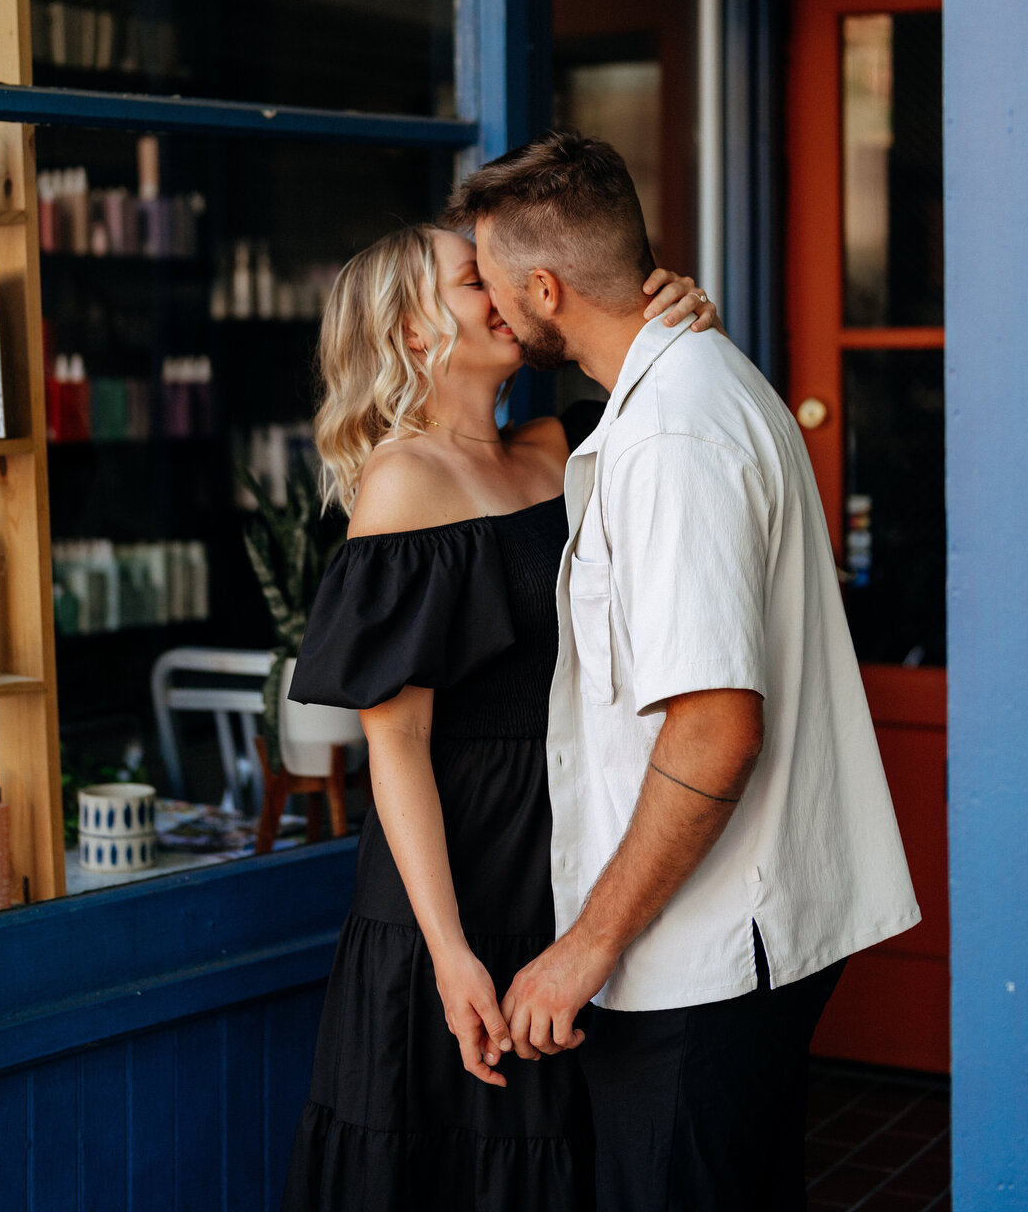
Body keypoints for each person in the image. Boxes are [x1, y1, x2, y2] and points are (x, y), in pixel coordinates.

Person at [447, 130, 921, 1212]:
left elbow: (714, 729)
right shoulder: (699, 381)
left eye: (491, 280)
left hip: (702, 954)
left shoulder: (670, 435)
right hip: (726, 942)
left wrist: (584, 949)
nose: (488, 303)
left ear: (546, 287)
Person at [280, 221, 718, 1212]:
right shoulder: (402, 485)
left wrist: (681, 322)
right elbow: (393, 747)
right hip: (459, 874)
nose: (507, 293)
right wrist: (449, 954)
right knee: (453, 1161)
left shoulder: (563, 440)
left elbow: (684, 416)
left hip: (567, 851)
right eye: (476, 279)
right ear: (409, 328)